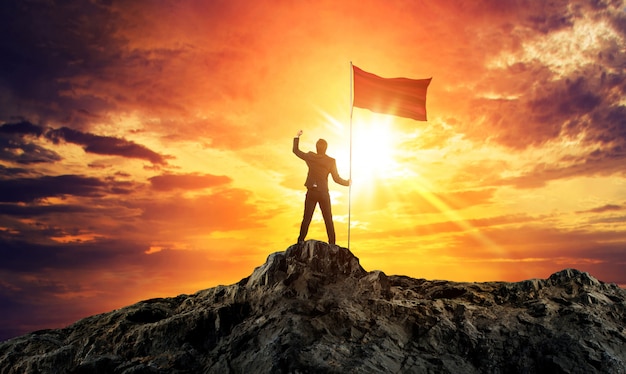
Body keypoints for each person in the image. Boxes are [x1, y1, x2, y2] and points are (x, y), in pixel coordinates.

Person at [293, 130, 350, 245]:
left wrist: (297, 136)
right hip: (323, 193)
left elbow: (296, 151)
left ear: (316, 147)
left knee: (307, 218)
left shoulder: (310, 156)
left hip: (312, 192)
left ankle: (300, 241)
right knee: (328, 219)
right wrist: (347, 183)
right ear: (326, 148)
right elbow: (336, 179)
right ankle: (332, 244)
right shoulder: (331, 161)